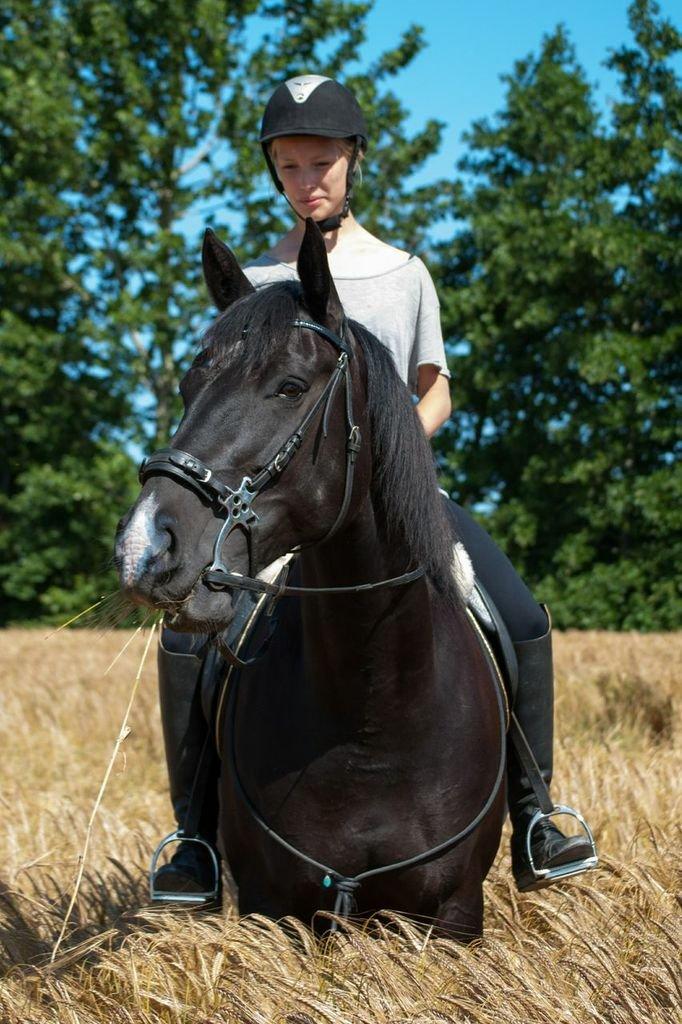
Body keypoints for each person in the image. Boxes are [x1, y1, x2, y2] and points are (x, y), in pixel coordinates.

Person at [152, 74, 595, 901]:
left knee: (520, 614)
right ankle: (196, 840)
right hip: (286, 506)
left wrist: (393, 461)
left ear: (353, 160)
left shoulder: (401, 274)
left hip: (400, 500)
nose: (305, 181)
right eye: (288, 167)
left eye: (320, 162)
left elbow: (438, 388)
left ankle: (537, 815)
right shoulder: (254, 283)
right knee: (187, 638)